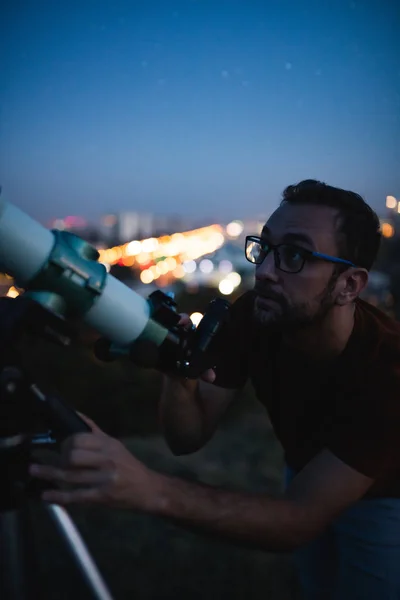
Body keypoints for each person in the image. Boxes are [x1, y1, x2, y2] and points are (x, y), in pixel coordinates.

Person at [30, 180, 400, 599]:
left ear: (350, 285)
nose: (264, 272)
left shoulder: (387, 373)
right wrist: (177, 370)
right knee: (317, 584)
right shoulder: (256, 316)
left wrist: (146, 487)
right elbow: (186, 437)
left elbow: (297, 520)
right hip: (303, 467)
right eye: (266, 247)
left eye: (294, 255)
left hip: (385, 495)